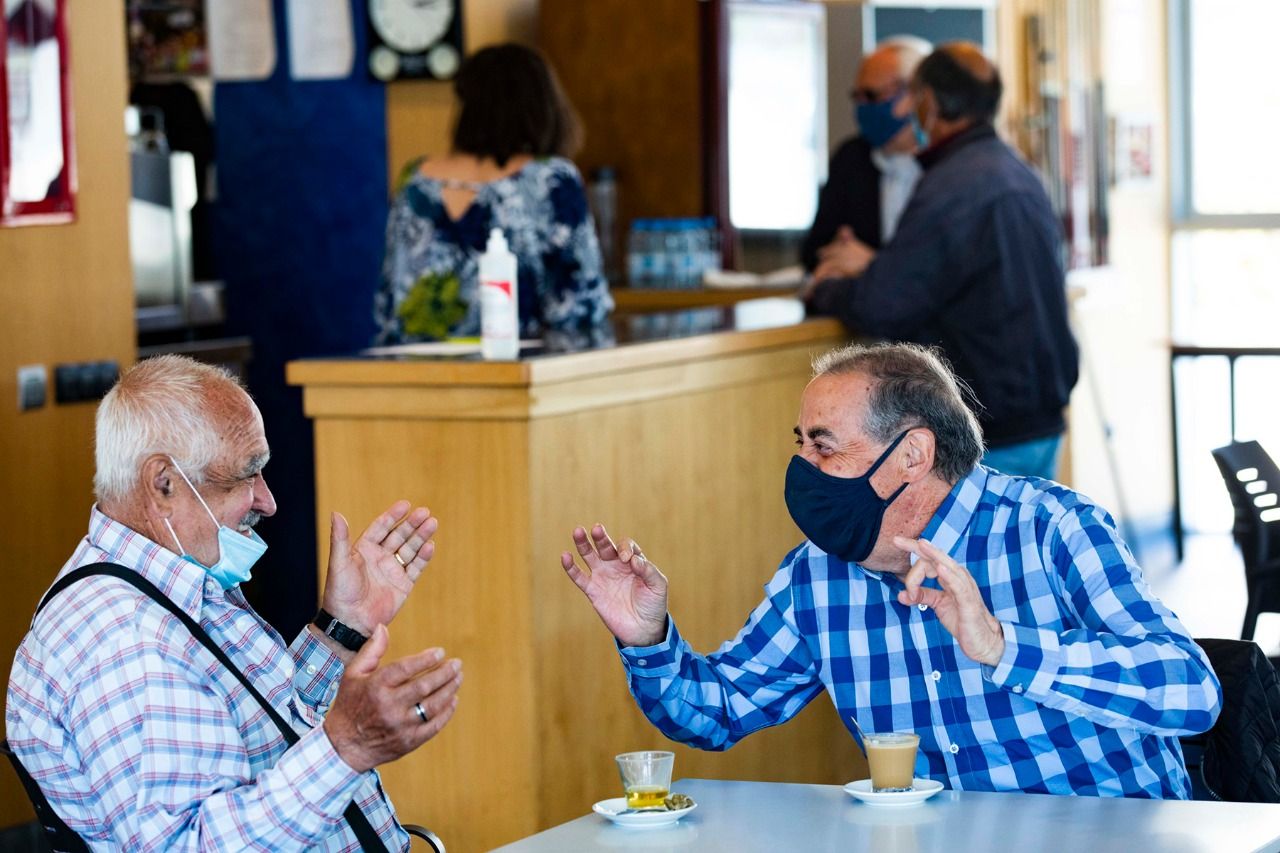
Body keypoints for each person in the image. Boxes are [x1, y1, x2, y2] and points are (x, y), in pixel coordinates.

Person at [561, 342, 1221, 798]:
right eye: (802, 448)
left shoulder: (1051, 527)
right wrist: (647, 640)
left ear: (913, 454)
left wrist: (1002, 646)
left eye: (826, 449)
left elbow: (1192, 691)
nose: (803, 475)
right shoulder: (818, 577)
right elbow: (718, 712)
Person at [6, 355, 463, 850]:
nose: (268, 501)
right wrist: (346, 747)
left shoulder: (168, 581)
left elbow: (264, 738)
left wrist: (341, 629)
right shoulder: (127, 644)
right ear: (164, 484)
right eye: (248, 474)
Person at [804, 43, 1079, 481]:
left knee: (958, 552)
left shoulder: (952, 186)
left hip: (988, 427)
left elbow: (884, 303)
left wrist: (824, 287)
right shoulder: (1018, 172)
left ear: (928, 102)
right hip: (1039, 417)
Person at [373, 43, 613, 348]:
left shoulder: (416, 179)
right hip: (516, 372)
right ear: (544, 105)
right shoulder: (550, 179)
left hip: (412, 370)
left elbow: (388, 303)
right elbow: (580, 305)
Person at [802, 36, 931, 277]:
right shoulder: (850, 158)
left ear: (912, 95)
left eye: (871, 96)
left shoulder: (946, 164)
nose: (862, 106)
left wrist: (874, 264)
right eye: (857, 96)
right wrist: (839, 249)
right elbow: (813, 250)